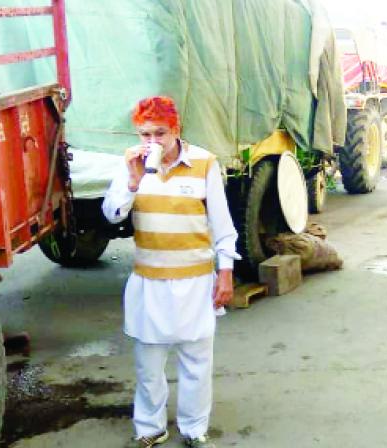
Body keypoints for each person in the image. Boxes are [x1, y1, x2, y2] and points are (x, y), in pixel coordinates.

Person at [102, 96, 239, 448]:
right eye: (144, 134)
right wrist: (132, 183)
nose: (152, 142)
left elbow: (223, 228)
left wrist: (225, 274)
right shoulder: (131, 164)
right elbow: (112, 215)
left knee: (196, 361)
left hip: (195, 282)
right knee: (149, 364)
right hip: (150, 282)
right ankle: (150, 427)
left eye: (159, 133)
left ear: (176, 130)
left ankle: (194, 429)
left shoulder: (204, 164)